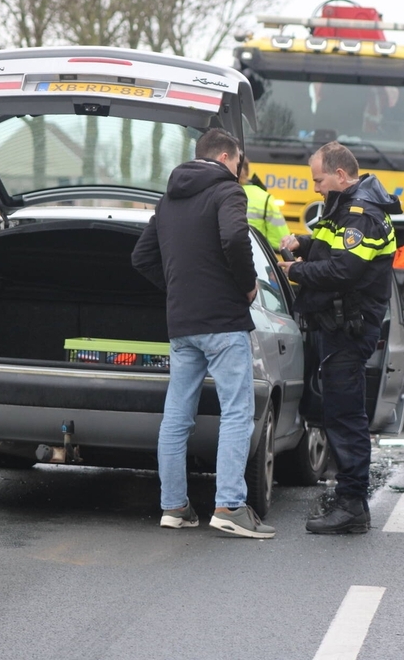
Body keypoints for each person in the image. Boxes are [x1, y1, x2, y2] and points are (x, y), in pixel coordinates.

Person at [131, 128, 274, 539]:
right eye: (239, 164)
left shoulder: (169, 198)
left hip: (182, 323)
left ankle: (174, 506)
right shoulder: (228, 192)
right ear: (227, 157)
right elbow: (233, 237)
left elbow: (141, 256)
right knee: (237, 411)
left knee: (177, 416)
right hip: (223, 321)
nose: (240, 172)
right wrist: (246, 286)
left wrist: (179, 288)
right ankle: (229, 505)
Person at [278, 141, 402, 534]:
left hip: (349, 328)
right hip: (339, 326)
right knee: (337, 412)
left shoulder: (361, 213)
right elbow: (332, 249)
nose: (316, 188)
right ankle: (349, 497)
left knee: (346, 417)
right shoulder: (347, 207)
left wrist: (294, 270)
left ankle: (352, 506)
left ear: (341, 175)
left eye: (319, 180)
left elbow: (344, 270)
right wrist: (306, 244)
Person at [240, 157, 290, 250]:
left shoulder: (214, 192)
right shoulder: (265, 198)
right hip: (254, 256)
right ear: (247, 172)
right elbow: (280, 240)